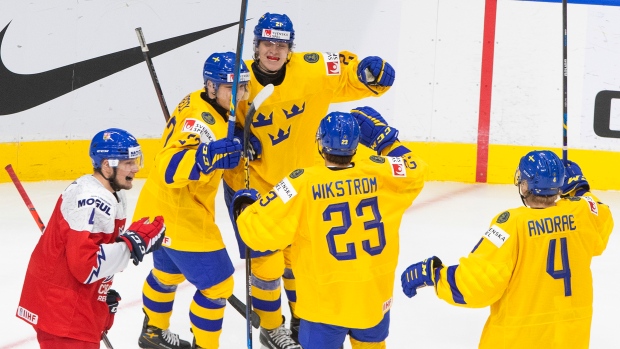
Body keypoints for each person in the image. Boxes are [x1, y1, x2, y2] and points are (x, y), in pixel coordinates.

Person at [222, 12, 397, 348]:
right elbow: (214, 109)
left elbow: (351, 72)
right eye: (267, 43)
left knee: (300, 260)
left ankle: (303, 318)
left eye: (281, 44)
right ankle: (271, 327)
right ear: (256, 46)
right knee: (267, 262)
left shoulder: (313, 68)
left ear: (291, 49)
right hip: (254, 184)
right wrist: (237, 133)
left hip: (302, 186)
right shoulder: (239, 78)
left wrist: (370, 71)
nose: (273, 50)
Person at [232, 110, 427, 349]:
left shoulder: (301, 182)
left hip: (323, 303)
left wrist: (246, 206)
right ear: (357, 145)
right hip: (372, 298)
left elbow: (257, 232)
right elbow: (415, 167)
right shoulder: (381, 173)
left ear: (320, 144)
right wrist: (385, 140)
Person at [400, 151, 614, 348]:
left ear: (525, 186)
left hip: (518, 341)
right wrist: (580, 189)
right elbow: (600, 215)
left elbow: (477, 285)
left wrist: (435, 274)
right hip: (570, 340)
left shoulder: (511, 223)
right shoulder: (582, 213)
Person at [133, 52, 246, 349]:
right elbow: (168, 167)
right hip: (181, 214)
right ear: (211, 86)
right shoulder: (201, 122)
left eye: (242, 88)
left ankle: (153, 332)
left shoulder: (199, 99)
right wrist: (203, 157)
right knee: (219, 285)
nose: (239, 96)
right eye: (231, 89)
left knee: (166, 272)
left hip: (155, 210)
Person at [16, 128, 166, 349]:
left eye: (136, 160)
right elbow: (86, 267)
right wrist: (134, 244)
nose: (135, 168)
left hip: (71, 304)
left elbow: (94, 255)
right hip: (62, 313)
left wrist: (99, 292)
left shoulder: (113, 193)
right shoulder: (92, 200)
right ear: (107, 165)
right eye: (128, 163)